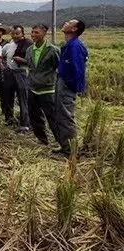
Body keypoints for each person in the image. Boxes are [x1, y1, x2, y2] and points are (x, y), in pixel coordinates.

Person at [55, 19, 88, 156]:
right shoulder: (69, 44)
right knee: (61, 115)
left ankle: (70, 151)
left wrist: (69, 84)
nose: (66, 23)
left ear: (74, 29)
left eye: (70, 22)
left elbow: (77, 70)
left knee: (66, 116)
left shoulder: (75, 46)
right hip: (63, 82)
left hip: (67, 85)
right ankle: (65, 146)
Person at [25, 24, 61, 149]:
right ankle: (42, 140)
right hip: (32, 88)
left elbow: (58, 67)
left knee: (52, 117)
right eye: (32, 32)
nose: (33, 35)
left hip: (48, 89)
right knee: (34, 116)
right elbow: (29, 66)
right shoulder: (30, 50)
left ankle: (61, 142)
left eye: (37, 32)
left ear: (44, 34)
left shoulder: (53, 50)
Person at [2, 25, 32, 134]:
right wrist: (4, 67)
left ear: (22, 34)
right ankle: (9, 120)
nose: (15, 36)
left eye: (17, 33)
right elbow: (1, 57)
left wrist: (22, 60)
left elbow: (32, 62)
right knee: (8, 98)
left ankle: (24, 124)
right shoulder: (8, 46)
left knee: (23, 99)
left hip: (21, 73)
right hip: (9, 73)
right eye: (13, 33)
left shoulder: (29, 46)